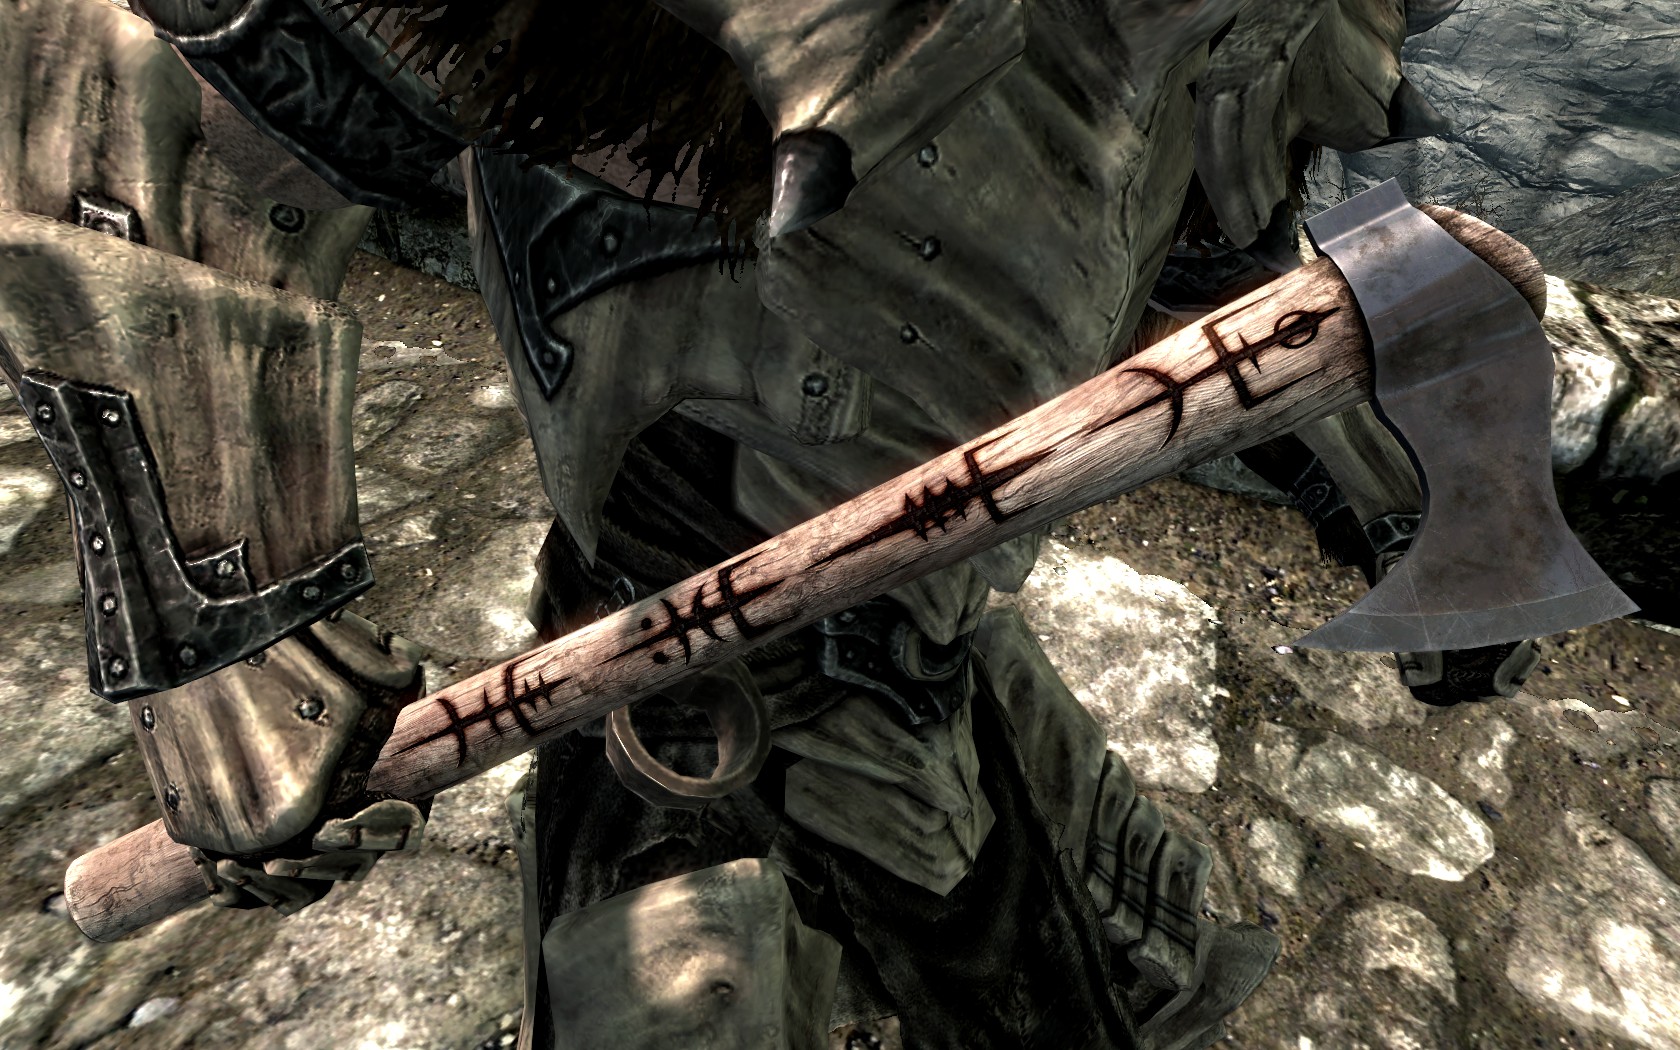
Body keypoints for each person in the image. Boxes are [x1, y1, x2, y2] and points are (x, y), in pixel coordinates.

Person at [0, 0, 1505, 1046]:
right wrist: (229, 641)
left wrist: (1404, 494)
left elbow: (1195, 251)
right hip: (676, 680)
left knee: (1034, 946)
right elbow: (139, 73)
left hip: (931, 636)